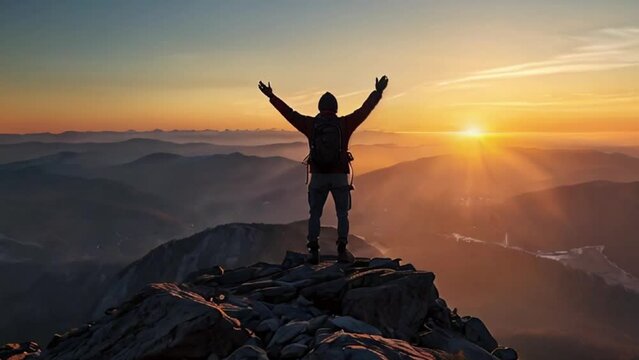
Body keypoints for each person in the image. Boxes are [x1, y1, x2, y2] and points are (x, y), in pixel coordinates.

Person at [258, 76, 388, 264]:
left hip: (318, 176)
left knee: (315, 214)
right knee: (342, 214)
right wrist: (378, 92)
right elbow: (364, 110)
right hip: (339, 177)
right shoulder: (344, 124)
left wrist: (271, 96)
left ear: (319, 107)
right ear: (335, 108)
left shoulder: (311, 125)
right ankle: (342, 250)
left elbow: (289, 113)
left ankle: (313, 251)